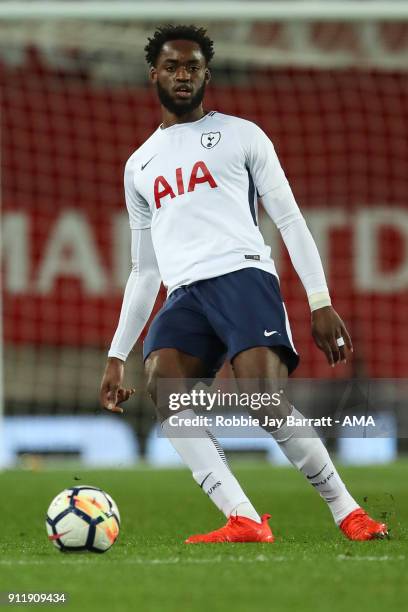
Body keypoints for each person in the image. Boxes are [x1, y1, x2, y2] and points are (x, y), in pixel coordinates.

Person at [100, 25, 388, 543]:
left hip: (243, 275)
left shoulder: (243, 135)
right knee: (165, 387)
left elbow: (292, 220)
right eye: (172, 67)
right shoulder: (138, 165)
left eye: (191, 67)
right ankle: (243, 517)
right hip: (185, 293)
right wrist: (117, 354)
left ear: (207, 73)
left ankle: (348, 511)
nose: (182, 75)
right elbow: (144, 270)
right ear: (154, 74)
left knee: (263, 398)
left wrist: (320, 301)